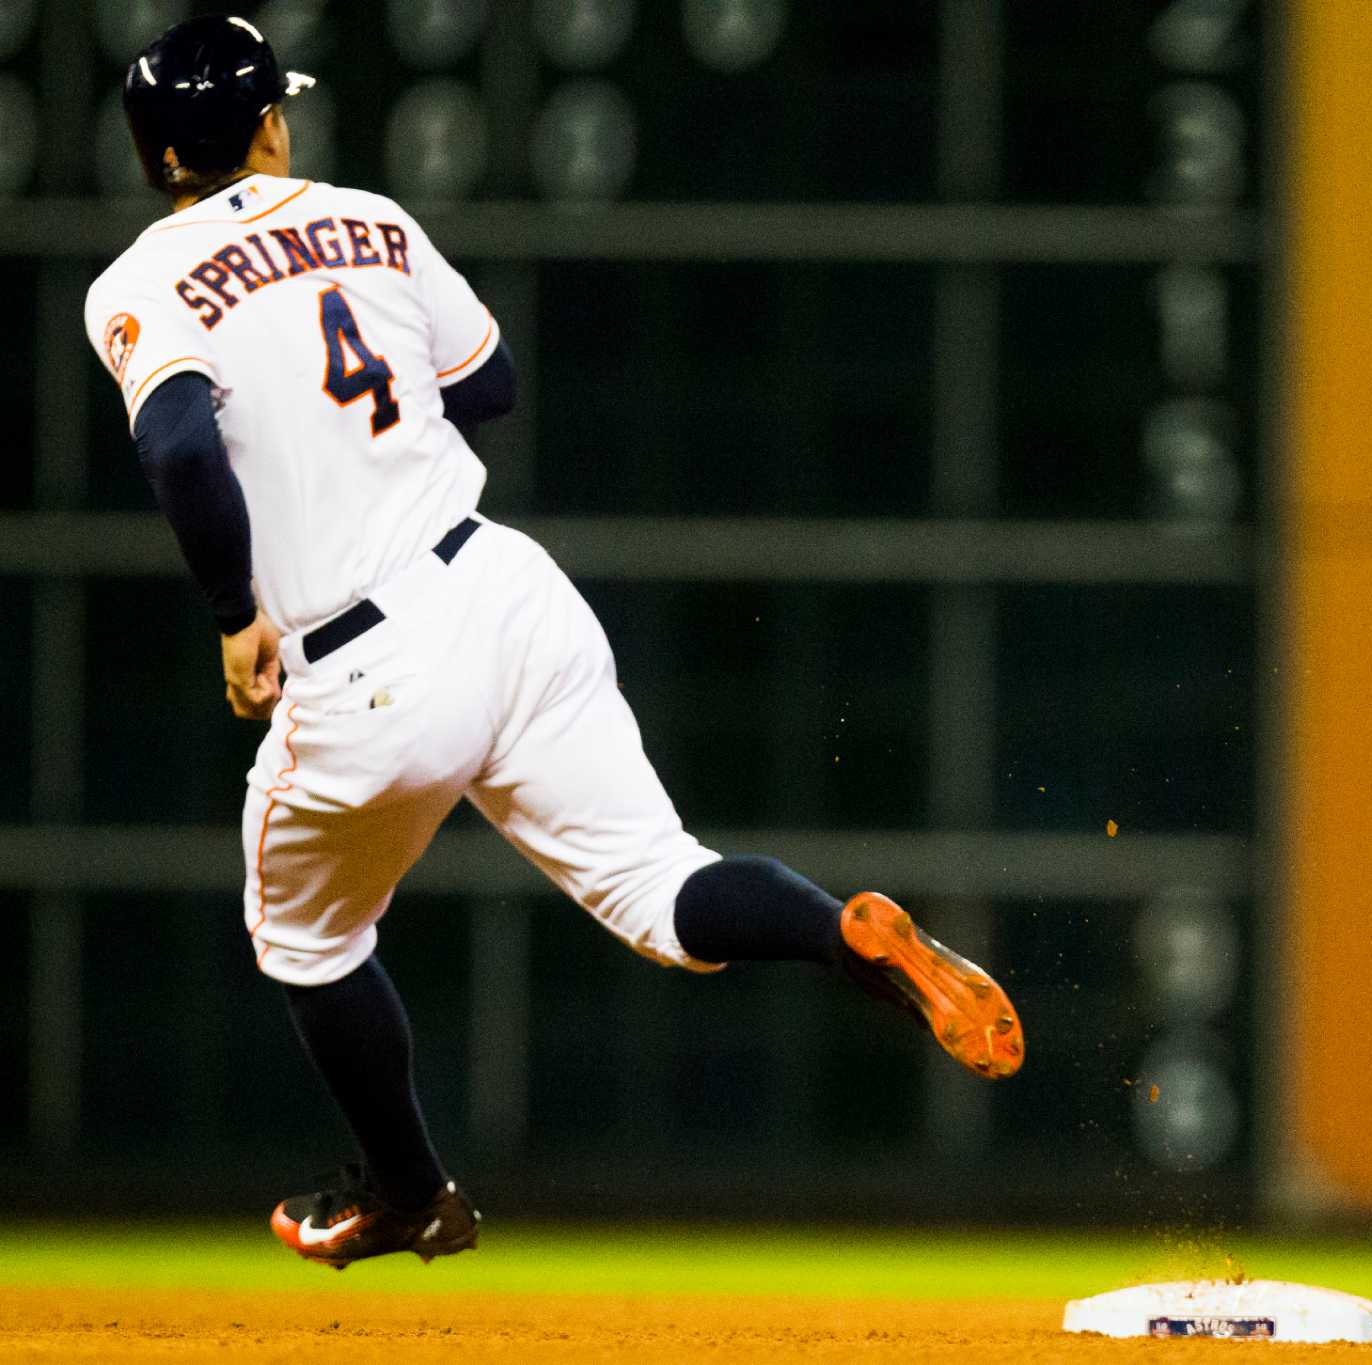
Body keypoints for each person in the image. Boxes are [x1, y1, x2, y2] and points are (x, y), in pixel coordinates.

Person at [89, 15, 1023, 1270]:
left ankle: (411, 1189)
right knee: (661, 884)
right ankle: (835, 932)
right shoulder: (371, 218)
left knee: (304, 936)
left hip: (364, 667)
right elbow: (488, 385)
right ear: (268, 128)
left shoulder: (139, 282)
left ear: (157, 162)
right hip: (503, 588)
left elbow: (182, 445)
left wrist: (231, 614)